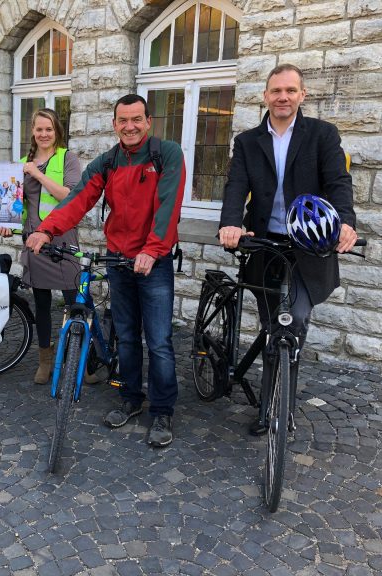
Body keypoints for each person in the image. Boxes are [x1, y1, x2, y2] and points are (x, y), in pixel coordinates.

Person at [26, 95, 185, 447]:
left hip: (153, 262)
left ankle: (161, 411)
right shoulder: (108, 161)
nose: (130, 126)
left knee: (158, 340)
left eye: (137, 120)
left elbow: (168, 205)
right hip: (119, 259)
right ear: (114, 124)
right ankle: (130, 397)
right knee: (125, 334)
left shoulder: (167, 154)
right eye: (123, 120)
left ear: (148, 121)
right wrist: (46, 229)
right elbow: (79, 198)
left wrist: (153, 250)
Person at [218, 63, 358, 435]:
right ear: (265, 96)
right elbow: (236, 185)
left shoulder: (322, 135)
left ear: (302, 95)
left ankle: (281, 407)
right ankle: (267, 406)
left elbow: (339, 181)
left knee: (292, 324)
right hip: (265, 243)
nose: (283, 97)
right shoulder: (248, 141)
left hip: (307, 246)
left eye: (290, 91)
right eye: (276, 91)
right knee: (270, 326)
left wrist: (346, 221)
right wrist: (230, 222)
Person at [0, 108, 82, 385]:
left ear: (56, 130)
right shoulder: (22, 163)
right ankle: (45, 361)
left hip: (64, 239)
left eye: (49, 129)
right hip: (35, 241)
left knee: (74, 302)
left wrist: (37, 173)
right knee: (43, 304)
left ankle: (82, 359)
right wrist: (7, 224)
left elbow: (69, 197)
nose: (44, 134)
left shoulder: (67, 158)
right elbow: (17, 205)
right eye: (39, 129)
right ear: (32, 132)